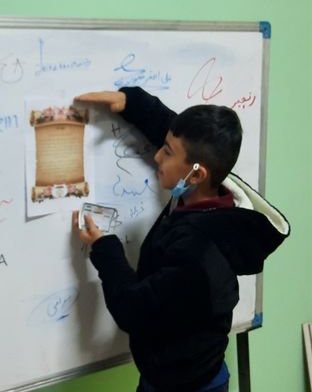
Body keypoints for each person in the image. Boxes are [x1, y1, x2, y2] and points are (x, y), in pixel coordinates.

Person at [72, 87, 290, 392]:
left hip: (185, 385)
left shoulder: (197, 253)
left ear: (197, 175)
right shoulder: (212, 192)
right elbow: (179, 134)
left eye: (167, 152)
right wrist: (133, 104)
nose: (157, 156)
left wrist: (105, 249)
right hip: (185, 371)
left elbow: (132, 310)